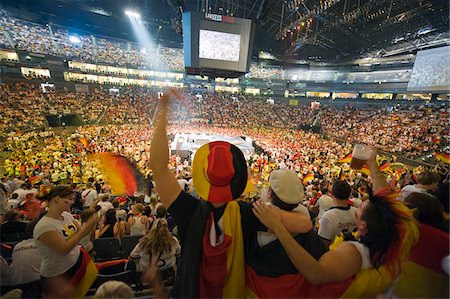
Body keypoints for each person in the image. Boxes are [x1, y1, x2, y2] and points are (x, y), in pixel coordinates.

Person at [150, 90, 312, 298]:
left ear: (203, 175)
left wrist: (163, 112)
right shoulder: (249, 213)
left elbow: (158, 166)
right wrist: (273, 217)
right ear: (236, 178)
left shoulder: (188, 210)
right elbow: (304, 224)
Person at [252, 147, 419, 296]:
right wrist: (372, 163)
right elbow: (384, 198)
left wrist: (278, 227)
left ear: (362, 224)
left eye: (361, 208)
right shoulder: (394, 236)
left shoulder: (355, 253)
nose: (356, 204)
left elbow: (315, 274)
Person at [33, 185, 99, 298]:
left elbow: (80, 234)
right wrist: (86, 229)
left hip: (76, 264)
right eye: (68, 199)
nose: (71, 202)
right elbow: (64, 249)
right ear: (57, 199)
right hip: (57, 274)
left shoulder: (67, 215)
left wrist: (88, 227)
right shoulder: (44, 226)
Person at [318, 180, 357, 246]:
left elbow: (323, 244)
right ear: (349, 195)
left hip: (334, 254)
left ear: (332, 194)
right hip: (353, 252)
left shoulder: (328, 216)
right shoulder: (357, 212)